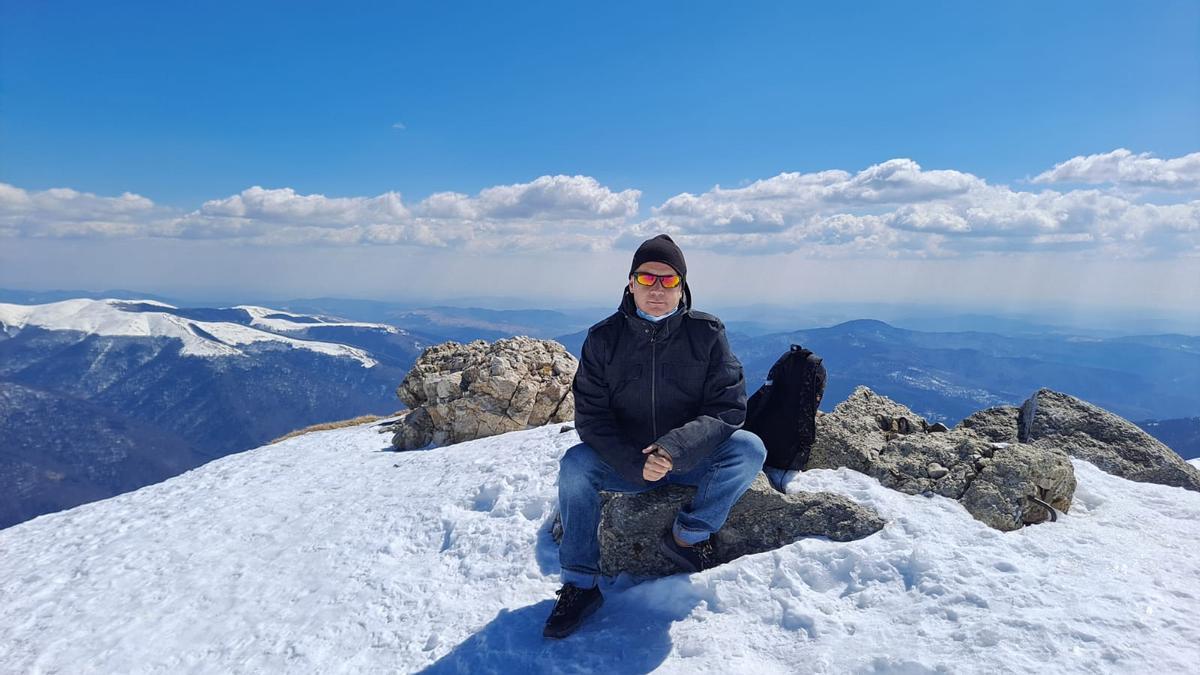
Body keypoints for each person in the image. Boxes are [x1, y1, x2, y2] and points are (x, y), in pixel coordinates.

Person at [543, 234, 767, 639]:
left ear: (682, 286)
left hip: (688, 458)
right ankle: (579, 584)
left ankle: (689, 535)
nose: (657, 290)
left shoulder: (707, 334)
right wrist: (634, 462)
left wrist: (673, 449)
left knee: (749, 449)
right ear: (630, 283)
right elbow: (591, 416)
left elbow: (728, 407)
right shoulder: (603, 338)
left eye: (669, 281)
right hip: (625, 464)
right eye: (647, 279)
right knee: (575, 466)